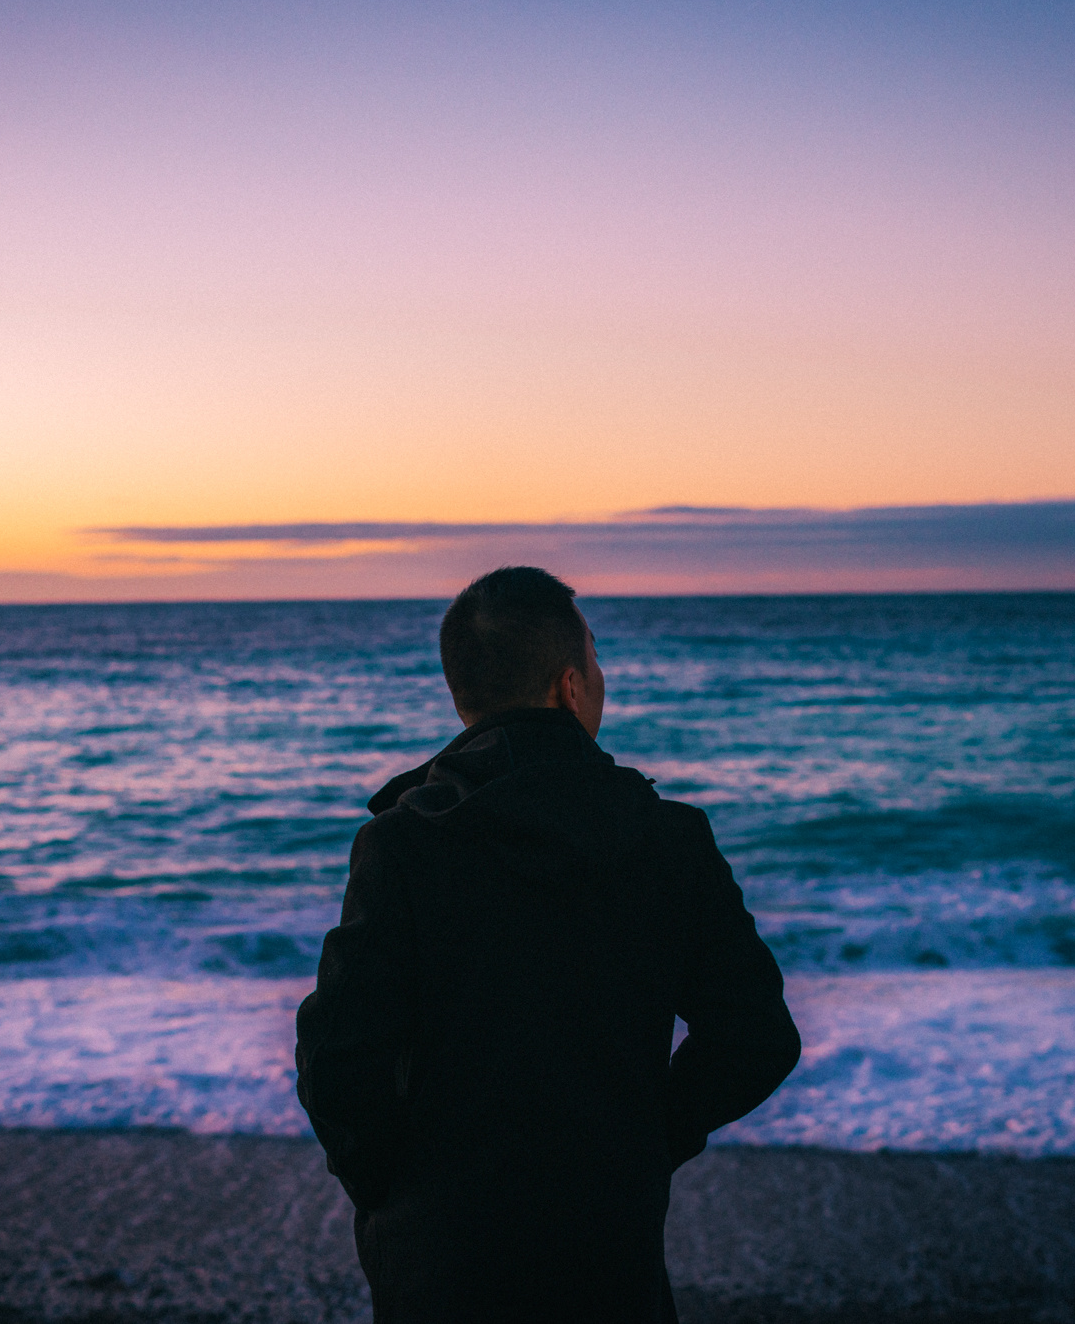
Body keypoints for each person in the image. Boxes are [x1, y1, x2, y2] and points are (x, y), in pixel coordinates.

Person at [294, 566, 800, 1323]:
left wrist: (397, 1188)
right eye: (596, 662)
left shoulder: (403, 845)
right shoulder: (667, 839)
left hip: (441, 1264)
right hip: (607, 1253)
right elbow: (756, 1035)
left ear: (461, 695)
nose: (600, 679)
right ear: (570, 686)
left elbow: (337, 1057)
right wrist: (647, 1140)